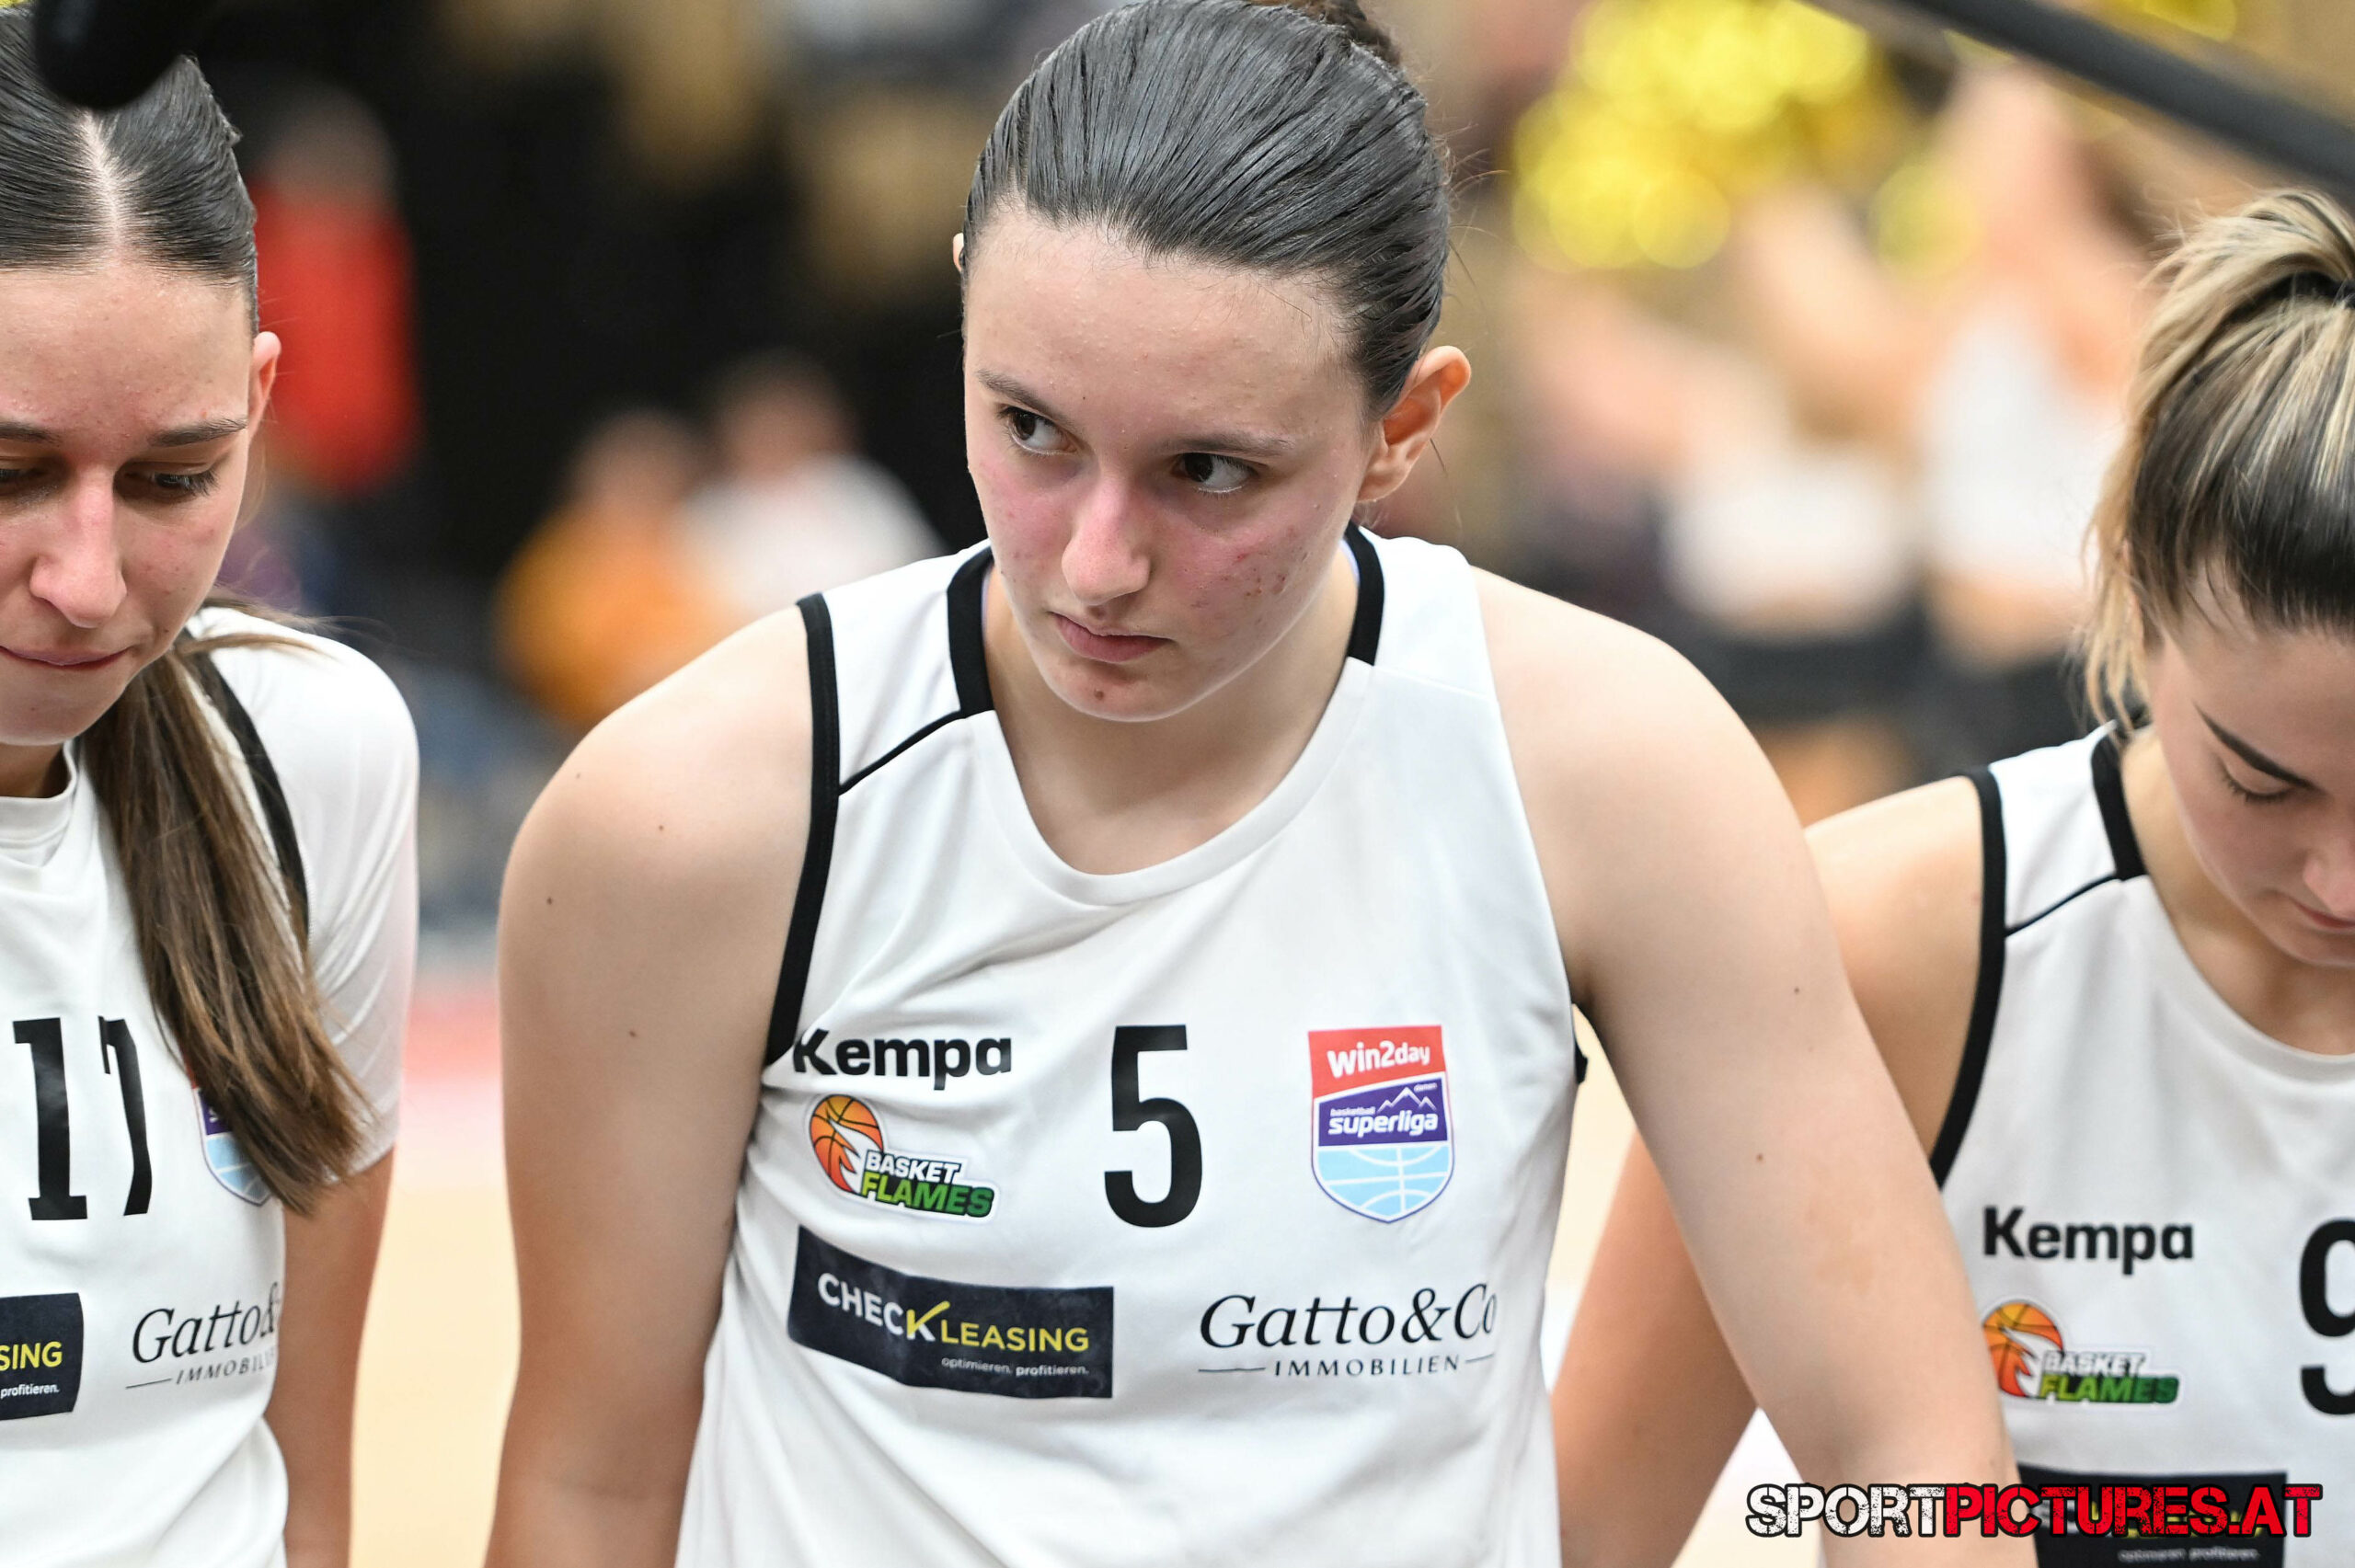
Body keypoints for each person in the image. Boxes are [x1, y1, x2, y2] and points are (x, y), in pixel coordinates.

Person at [488, 4, 2024, 1564]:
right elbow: (589, 1489)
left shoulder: (1608, 770)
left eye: (1208, 470)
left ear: (1402, 429)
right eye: (1031, 429)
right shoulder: (697, 817)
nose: (1095, 563)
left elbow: (1913, 1458)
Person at [1555, 189, 2355, 1564]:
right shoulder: (1893, 944)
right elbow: (1580, 1534)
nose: (2342, 883)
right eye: (2261, 781)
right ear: (2132, 595)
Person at [0, 17, 419, 1568]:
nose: (87, 582)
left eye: (174, 479)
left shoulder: (308, 752)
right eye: (7, 472)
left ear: (259, 402)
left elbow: (306, 1492)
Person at [682, 352, 938, 623]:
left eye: (788, 418)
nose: (776, 435)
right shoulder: (710, 512)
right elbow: (723, 607)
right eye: (762, 423)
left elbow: (917, 562)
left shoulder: (854, 482)